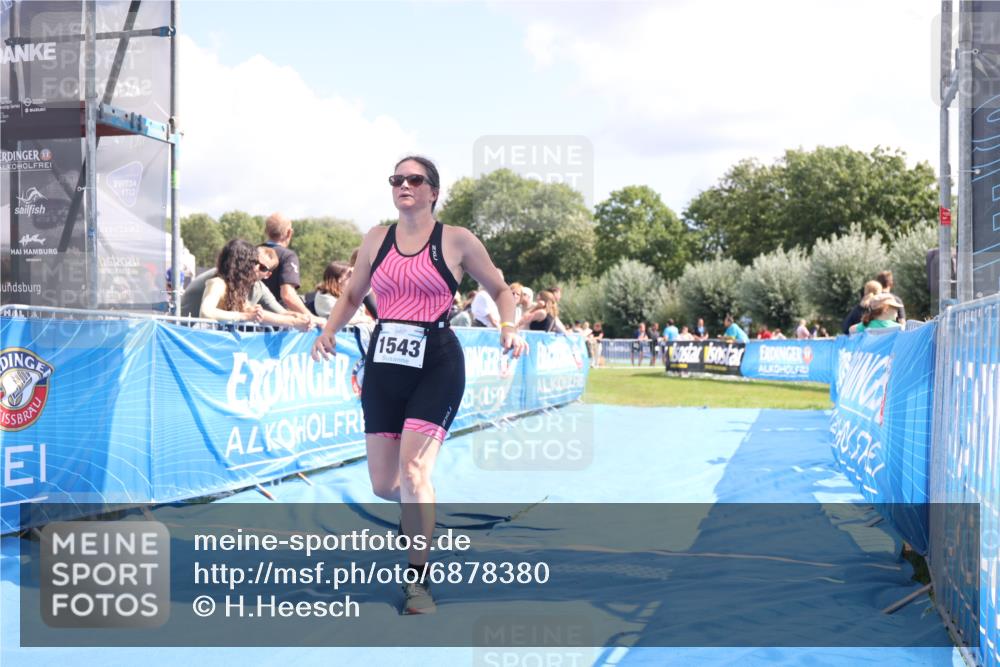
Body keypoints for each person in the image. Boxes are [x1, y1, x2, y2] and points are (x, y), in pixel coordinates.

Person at [311, 155, 527, 615]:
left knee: (413, 472)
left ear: (433, 191)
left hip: (437, 361)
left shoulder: (457, 240)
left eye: (415, 179)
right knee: (385, 484)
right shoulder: (375, 238)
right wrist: (329, 331)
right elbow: (352, 295)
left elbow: (501, 289)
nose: (404, 185)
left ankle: (418, 584)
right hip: (384, 363)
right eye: (397, 179)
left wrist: (509, 326)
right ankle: (422, 508)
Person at [197, 240, 312, 330]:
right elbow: (206, 311)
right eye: (253, 262)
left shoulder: (237, 288)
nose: (255, 267)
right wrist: (245, 316)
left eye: (261, 266)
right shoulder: (218, 283)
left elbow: (255, 313)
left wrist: (299, 318)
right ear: (241, 264)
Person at [262, 212, 311, 316]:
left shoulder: (252, 252)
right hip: (275, 323)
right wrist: (311, 317)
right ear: (289, 232)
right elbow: (288, 295)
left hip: (248, 320)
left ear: (266, 231)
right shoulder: (288, 256)